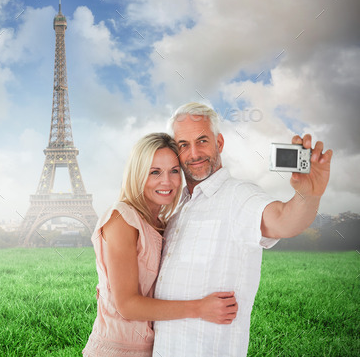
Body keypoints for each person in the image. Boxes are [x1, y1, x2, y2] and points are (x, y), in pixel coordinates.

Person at [152, 102, 333, 357]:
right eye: (183, 145)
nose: (194, 153)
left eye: (202, 140)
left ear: (220, 143)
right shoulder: (176, 209)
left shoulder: (238, 195)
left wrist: (309, 196)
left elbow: (283, 220)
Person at [83, 133, 239, 357]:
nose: (167, 181)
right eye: (155, 172)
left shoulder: (163, 225)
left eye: (174, 171)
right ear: (137, 174)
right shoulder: (121, 218)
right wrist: (200, 308)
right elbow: (127, 305)